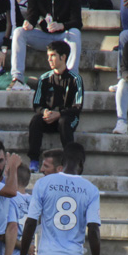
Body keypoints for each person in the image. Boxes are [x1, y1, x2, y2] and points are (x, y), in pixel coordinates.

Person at [7, 0, 82, 92]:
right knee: (19, 32)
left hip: (63, 37)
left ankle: (70, 78)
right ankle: (17, 79)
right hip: (44, 36)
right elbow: (33, 15)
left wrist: (62, 25)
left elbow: (77, 22)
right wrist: (29, 23)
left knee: (75, 33)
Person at [27, 41, 83, 171]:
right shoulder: (44, 78)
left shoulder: (75, 79)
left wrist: (60, 114)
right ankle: (34, 161)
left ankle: (70, 163)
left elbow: (77, 107)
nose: (49, 59)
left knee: (64, 122)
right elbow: (36, 104)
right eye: (48, 56)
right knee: (36, 120)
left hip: (67, 118)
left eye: (52, 55)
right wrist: (45, 111)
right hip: (49, 118)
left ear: (63, 57)